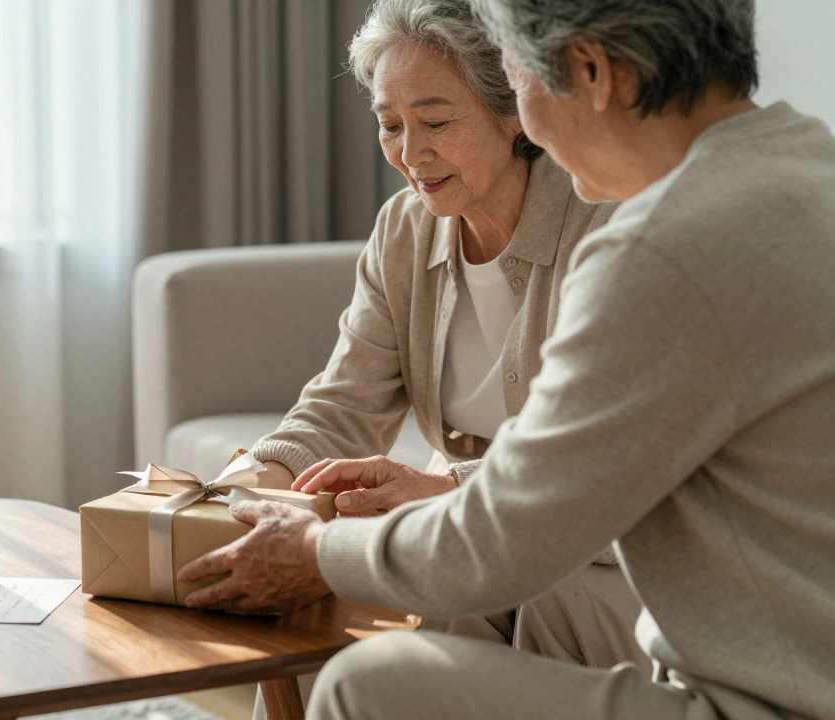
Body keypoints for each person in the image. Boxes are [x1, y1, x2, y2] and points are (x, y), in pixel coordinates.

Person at [179, 0, 835, 718]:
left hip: (764, 700)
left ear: (588, 71)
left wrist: (316, 551)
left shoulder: (661, 249)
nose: (521, 108)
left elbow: (508, 534)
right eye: (390, 122)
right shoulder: (806, 166)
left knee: (367, 682)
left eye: (516, 73)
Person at [247, 0, 644, 674]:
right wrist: (250, 485)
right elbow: (344, 404)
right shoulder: (404, 230)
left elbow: (610, 463)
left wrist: (445, 491)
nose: (409, 153)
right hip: (475, 533)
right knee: (330, 614)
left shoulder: (604, 226)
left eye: (434, 122)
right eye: (389, 124)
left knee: (477, 584)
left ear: (512, 110)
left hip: (599, 550)